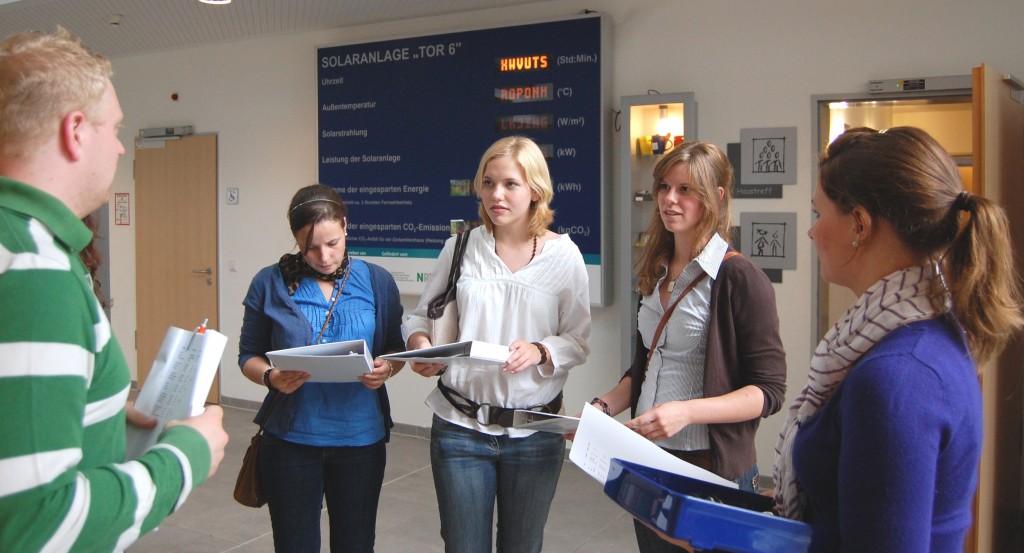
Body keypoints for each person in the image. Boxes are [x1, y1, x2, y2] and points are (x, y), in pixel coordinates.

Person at [0, 27, 228, 552]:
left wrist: (92, 411)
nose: (122, 146)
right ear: (76, 131)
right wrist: (185, 457)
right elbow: (39, 525)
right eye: (116, 128)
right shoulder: (34, 270)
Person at [773, 127, 1024, 551]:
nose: (812, 233)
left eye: (819, 214)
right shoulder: (917, 333)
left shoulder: (897, 377)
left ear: (858, 224)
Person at [584, 141, 787, 552]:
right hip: (647, 460)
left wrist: (686, 412)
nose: (669, 199)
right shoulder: (655, 270)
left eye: (685, 190)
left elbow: (769, 391)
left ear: (716, 196)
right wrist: (601, 409)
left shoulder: (740, 277)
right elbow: (644, 367)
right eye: (663, 187)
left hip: (708, 467)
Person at [403, 135, 591, 553]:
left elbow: (577, 340)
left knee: (522, 545)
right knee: (463, 546)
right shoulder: (460, 247)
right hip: (460, 428)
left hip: (535, 431)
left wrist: (541, 350)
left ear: (535, 190)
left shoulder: (565, 257)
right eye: (488, 183)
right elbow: (418, 317)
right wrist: (421, 345)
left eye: (510, 184)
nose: (496, 195)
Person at [238, 183, 405, 553]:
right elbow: (248, 355)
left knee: (356, 543)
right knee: (294, 544)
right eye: (310, 247)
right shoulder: (269, 282)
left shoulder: (377, 280)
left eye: (332, 243)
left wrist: (387, 369)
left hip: (360, 440)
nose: (324, 256)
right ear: (296, 240)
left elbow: (395, 348)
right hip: (291, 440)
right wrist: (270, 377)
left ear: (346, 226)